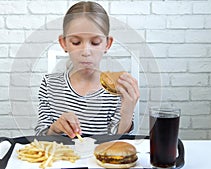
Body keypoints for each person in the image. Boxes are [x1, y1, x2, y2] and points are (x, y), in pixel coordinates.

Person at [35, 1, 140, 138]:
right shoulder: (50, 84)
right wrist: (55, 129)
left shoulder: (116, 89)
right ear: (64, 43)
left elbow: (117, 141)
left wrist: (127, 112)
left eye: (95, 42)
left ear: (107, 44)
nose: (86, 51)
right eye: (76, 42)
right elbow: (40, 137)